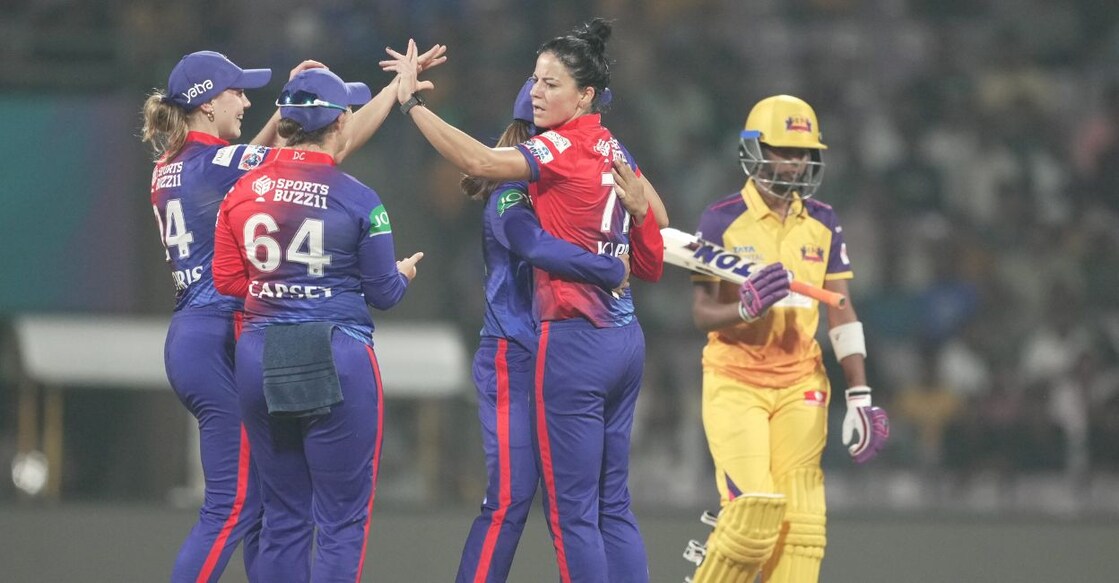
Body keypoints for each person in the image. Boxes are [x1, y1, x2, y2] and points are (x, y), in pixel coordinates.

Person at [142, 46, 444, 583]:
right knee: (234, 505)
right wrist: (384, 96)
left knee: (270, 509)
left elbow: (279, 158)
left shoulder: (174, 165)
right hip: (221, 335)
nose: (245, 102)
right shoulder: (223, 166)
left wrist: (297, 109)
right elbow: (321, 151)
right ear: (206, 104)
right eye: (236, 92)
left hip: (201, 334)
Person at [385, 19, 667, 582]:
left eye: (550, 84)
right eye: (535, 85)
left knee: (573, 510)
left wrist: (411, 105)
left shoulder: (557, 154)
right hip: (521, 351)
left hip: (566, 346)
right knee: (530, 500)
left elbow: (486, 168)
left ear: (580, 98)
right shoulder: (528, 185)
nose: (539, 93)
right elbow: (635, 223)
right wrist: (615, 258)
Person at [211, 67, 424, 582]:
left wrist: (282, 290)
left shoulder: (240, 192)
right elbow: (384, 294)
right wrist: (402, 274)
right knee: (341, 521)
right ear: (342, 122)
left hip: (260, 354)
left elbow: (227, 280)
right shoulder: (360, 199)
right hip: (336, 353)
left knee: (284, 517)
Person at [455, 79, 655, 583]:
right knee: (510, 498)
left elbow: (652, 216)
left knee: (597, 503)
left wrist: (635, 200)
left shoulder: (575, 182)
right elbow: (534, 245)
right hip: (514, 356)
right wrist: (608, 268)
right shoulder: (510, 194)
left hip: (566, 353)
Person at [685, 95, 889, 583]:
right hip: (737, 382)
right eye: (785, 151)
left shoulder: (823, 220)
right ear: (755, 150)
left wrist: (860, 394)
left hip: (802, 384)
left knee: (802, 531)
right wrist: (743, 308)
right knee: (752, 519)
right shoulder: (721, 219)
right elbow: (701, 313)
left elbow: (841, 307)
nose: (796, 162)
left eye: (804, 153)